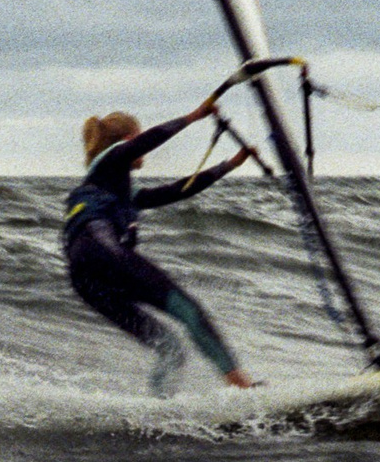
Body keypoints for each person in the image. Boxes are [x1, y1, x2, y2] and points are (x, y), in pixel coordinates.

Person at [63, 96, 258, 394]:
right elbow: (142, 145)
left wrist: (228, 165)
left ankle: (158, 409)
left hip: (85, 278)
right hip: (102, 249)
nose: (142, 152)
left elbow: (173, 192)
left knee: (170, 348)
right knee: (188, 311)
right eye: (136, 140)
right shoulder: (113, 161)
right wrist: (193, 116)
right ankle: (244, 388)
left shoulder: (117, 187)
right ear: (129, 139)